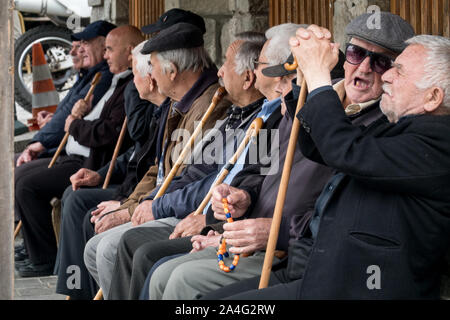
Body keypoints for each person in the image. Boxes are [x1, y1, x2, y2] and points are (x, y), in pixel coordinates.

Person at [146, 13, 417, 300]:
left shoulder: (380, 123)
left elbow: (337, 211)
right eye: (356, 53)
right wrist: (244, 196)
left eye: (380, 61)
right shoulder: (293, 104)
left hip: (290, 251)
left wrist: (275, 230)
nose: (363, 67)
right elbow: (252, 171)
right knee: (157, 268)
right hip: (249, 237)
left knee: (175, 277)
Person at [205, 19, 450, 301]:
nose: (387, 77)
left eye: (397, 69)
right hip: (322, 273)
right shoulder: (400, 128)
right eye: (355, 54)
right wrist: (304, 81)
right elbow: (317, 147)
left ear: (432, 97)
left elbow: (346, 151)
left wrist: (319, 74)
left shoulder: (440, 142)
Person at [104, 32, 274, 300]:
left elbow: (223, 183)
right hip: (199, 213)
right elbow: (195, 171)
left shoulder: (266, 123)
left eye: (226, 64)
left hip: (220, 222)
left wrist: (173, 211)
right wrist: (148, 201)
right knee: (116, 243)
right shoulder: (234, 114)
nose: (219, 72)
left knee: (143, 253)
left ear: (248, 78)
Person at [82, 22, 231, 298]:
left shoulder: (212, 104)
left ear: (172, 72)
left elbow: (192, 179)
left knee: (111, 247)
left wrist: (143, 207)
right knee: (96, 247)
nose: (148, 74)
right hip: (164, 203)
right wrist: (131, 205)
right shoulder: (179, 102)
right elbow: (159, 168)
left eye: (151, 65)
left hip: (182, 211)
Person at [14, 24, 143, 277]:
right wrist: (72, 121)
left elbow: (109, 133)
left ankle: (45, 258)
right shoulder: (113, 81)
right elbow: (79, 117)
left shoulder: (129, 86)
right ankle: (37, 250)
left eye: (108, 49)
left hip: (90, 161)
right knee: (21, 175)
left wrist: (75, 124)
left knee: (27, 184)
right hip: (74, 155)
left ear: (128, 52)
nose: (106, 56)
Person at [53, 40, 166, 299]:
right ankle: (74, 287)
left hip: (143, 194)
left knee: (85, 210)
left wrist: (127, 204)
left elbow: (122, 135)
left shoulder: (159, 104)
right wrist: (101, 175)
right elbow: (140, 156)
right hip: (132, 185)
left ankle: (79, 289)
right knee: (75, 196)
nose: (105, 56)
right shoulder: (162, 106)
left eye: (110, 49)